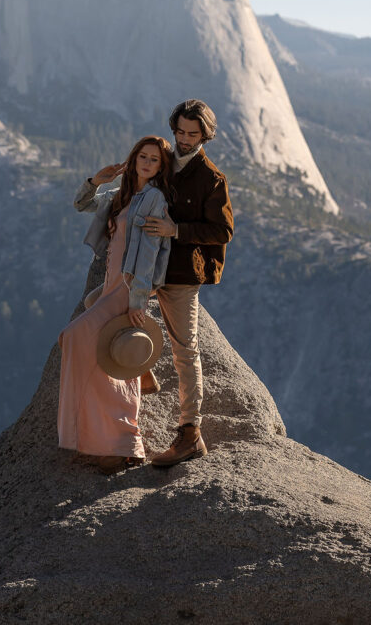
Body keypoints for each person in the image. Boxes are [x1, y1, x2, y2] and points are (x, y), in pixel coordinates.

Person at [58, 135, 173, 473]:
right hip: (109, 287)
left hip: (125, 289)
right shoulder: (121, 196)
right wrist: (97, 180)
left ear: (161, 168)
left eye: (155, 160)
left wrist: (139, 301)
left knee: (74, 337)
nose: (147, 163)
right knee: (99, 353)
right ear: (134, 157)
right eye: (143, 156)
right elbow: (81, 204)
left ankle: (126, 441)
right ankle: (104, 438)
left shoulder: (154, 199)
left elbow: (149, 254)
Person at [141, 99, 234, 467]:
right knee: (100, 306)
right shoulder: (163, 162)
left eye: (192, 134)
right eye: (179, 131)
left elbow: (223, 231)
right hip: (147, 268)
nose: (183, 139)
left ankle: (190, 434)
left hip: (180, 274)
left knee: (185, 351)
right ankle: (140, 368)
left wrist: (175, 230)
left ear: (205, 135)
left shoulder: (212, 179)